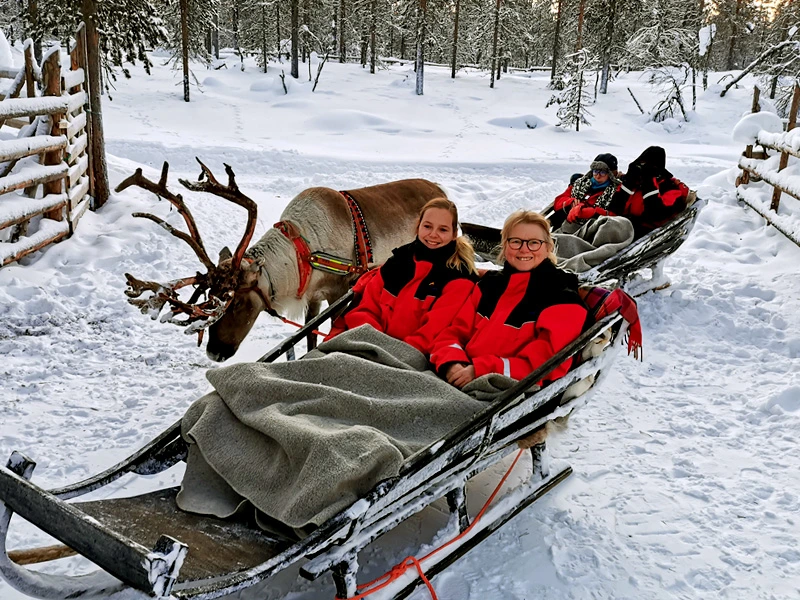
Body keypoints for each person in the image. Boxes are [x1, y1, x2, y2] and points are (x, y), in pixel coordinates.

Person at [430, 210, 588, 388]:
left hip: (505, 389)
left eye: (534, 243)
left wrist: (480, 370)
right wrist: (451, 363)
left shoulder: (562, 296)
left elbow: (547, 365)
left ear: (548, 247)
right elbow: (453, 333)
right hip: (456, 374)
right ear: (505, 246)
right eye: (515, 242)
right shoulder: (488, 286)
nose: (524, 249)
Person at [326, 197, 479, 356]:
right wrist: (373, 343)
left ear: (454, 234)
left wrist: (386, 352)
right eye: (427, 226)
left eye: (443, 230)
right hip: (367, 345)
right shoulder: (397, 262)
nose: (433, 234)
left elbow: (431, 334)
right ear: (418, 226)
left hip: (411, 358)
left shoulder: (458, 278)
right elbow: (365, 308)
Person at [608, 146, 690, 238]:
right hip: (621, 226)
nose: (642, 169)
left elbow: (657, 215)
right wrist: (628, 182)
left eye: (646, 166)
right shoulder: (634, 184)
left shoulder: (669, 187)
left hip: (646, 234)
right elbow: (614, 209)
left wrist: (649, 181)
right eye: (640, 164)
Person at [550, 153, 621, 231]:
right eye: (595, 171)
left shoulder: (615, 191)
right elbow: (558, 202)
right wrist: (570, 202)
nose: (598, 175)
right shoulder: (580, 183)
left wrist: (586, 211)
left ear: (610, 174)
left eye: (602, 172)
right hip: (565, 224)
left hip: (591, 230)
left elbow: (615, 215)